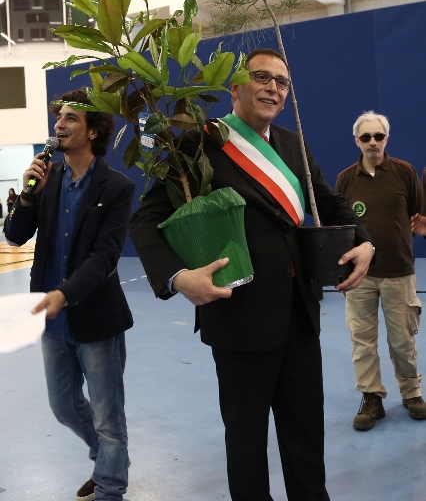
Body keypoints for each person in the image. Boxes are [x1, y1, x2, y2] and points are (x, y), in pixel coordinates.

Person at [129, 48, 374, 501]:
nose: (273, 88)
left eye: (282, 82)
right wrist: (178, 277)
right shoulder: (199, 142)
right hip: (238, 317)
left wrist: (365, 241)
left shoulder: (292, 144)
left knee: (306, 438)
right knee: (246, 443)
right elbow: (146, 219)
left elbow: (330, 202)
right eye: (262, 77)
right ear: (235, 87)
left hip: (300, 316)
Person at [4, 89, 135, 501]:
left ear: (93, 131)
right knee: (63, 406)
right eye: (59, 117)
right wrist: (28, 196)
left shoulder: (117, 187)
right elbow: (14, 235)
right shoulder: (49, 178)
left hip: (95, 317)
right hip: (50, 318)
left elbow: (105, 256)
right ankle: (109, 458)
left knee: (108, 416)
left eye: (71, 118)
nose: (59, 124)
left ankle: (110, 487)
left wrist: (65, 292)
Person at [336, 110, 425, 432]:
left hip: (399, 271)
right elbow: (341, 224)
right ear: (356, 141)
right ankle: (371, 397)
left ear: (386, 139)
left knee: (403, 340)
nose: (372, 142)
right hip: (360, 276)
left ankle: (412, 393)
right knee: (362, 341)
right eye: (366, 137)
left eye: (378, 136)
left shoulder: (405, 172)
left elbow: (417, 215)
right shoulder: (346, 179)